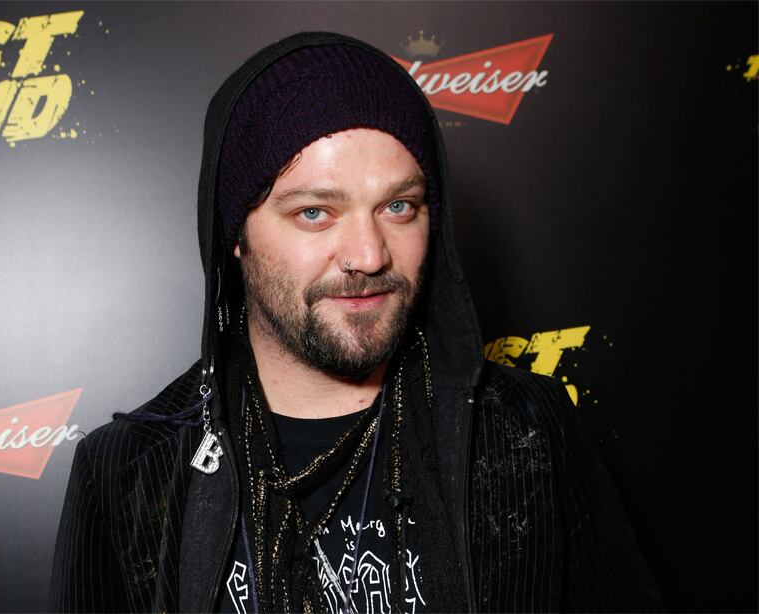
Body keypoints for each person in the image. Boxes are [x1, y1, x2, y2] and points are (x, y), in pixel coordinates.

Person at [50, 31, 662, 613]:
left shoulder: (527, 429)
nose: (369, 256)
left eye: (399, 206)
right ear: (235, 235)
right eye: (315, 212)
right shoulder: (127, 473)